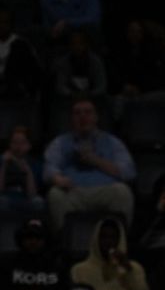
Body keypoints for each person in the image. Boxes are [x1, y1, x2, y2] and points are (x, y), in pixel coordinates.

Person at [43, 97, 136, 231]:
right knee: (55, 194)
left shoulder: (112, 142)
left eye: (88, 112)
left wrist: (95, 160)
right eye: (77, 113)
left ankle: (119, 241)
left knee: (122, 192)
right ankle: (65, 241)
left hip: (105, 190)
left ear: (96, 117)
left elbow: (128, 172)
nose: (83, 116)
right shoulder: (60, 142)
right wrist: (58, 179)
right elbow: (49, 168)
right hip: (73, 191)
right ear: (71, 119)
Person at [69, 218, 148, 290]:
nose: (108, 241)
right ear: (96, 239)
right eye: (103, 237)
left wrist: (128, 270)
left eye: (113, 237)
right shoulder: (79, 269)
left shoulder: (134, 267)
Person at [0, 126, 45, 215]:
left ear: (29, 145)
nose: (18, 146)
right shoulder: (2, 160)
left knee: (38, 202)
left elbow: (32, 194)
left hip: (26, 199)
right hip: (6, 198)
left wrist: (27, 171)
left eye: (22, 143)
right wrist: (3, 165)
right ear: (9, 144)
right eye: (14, 142)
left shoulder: (35, 164)